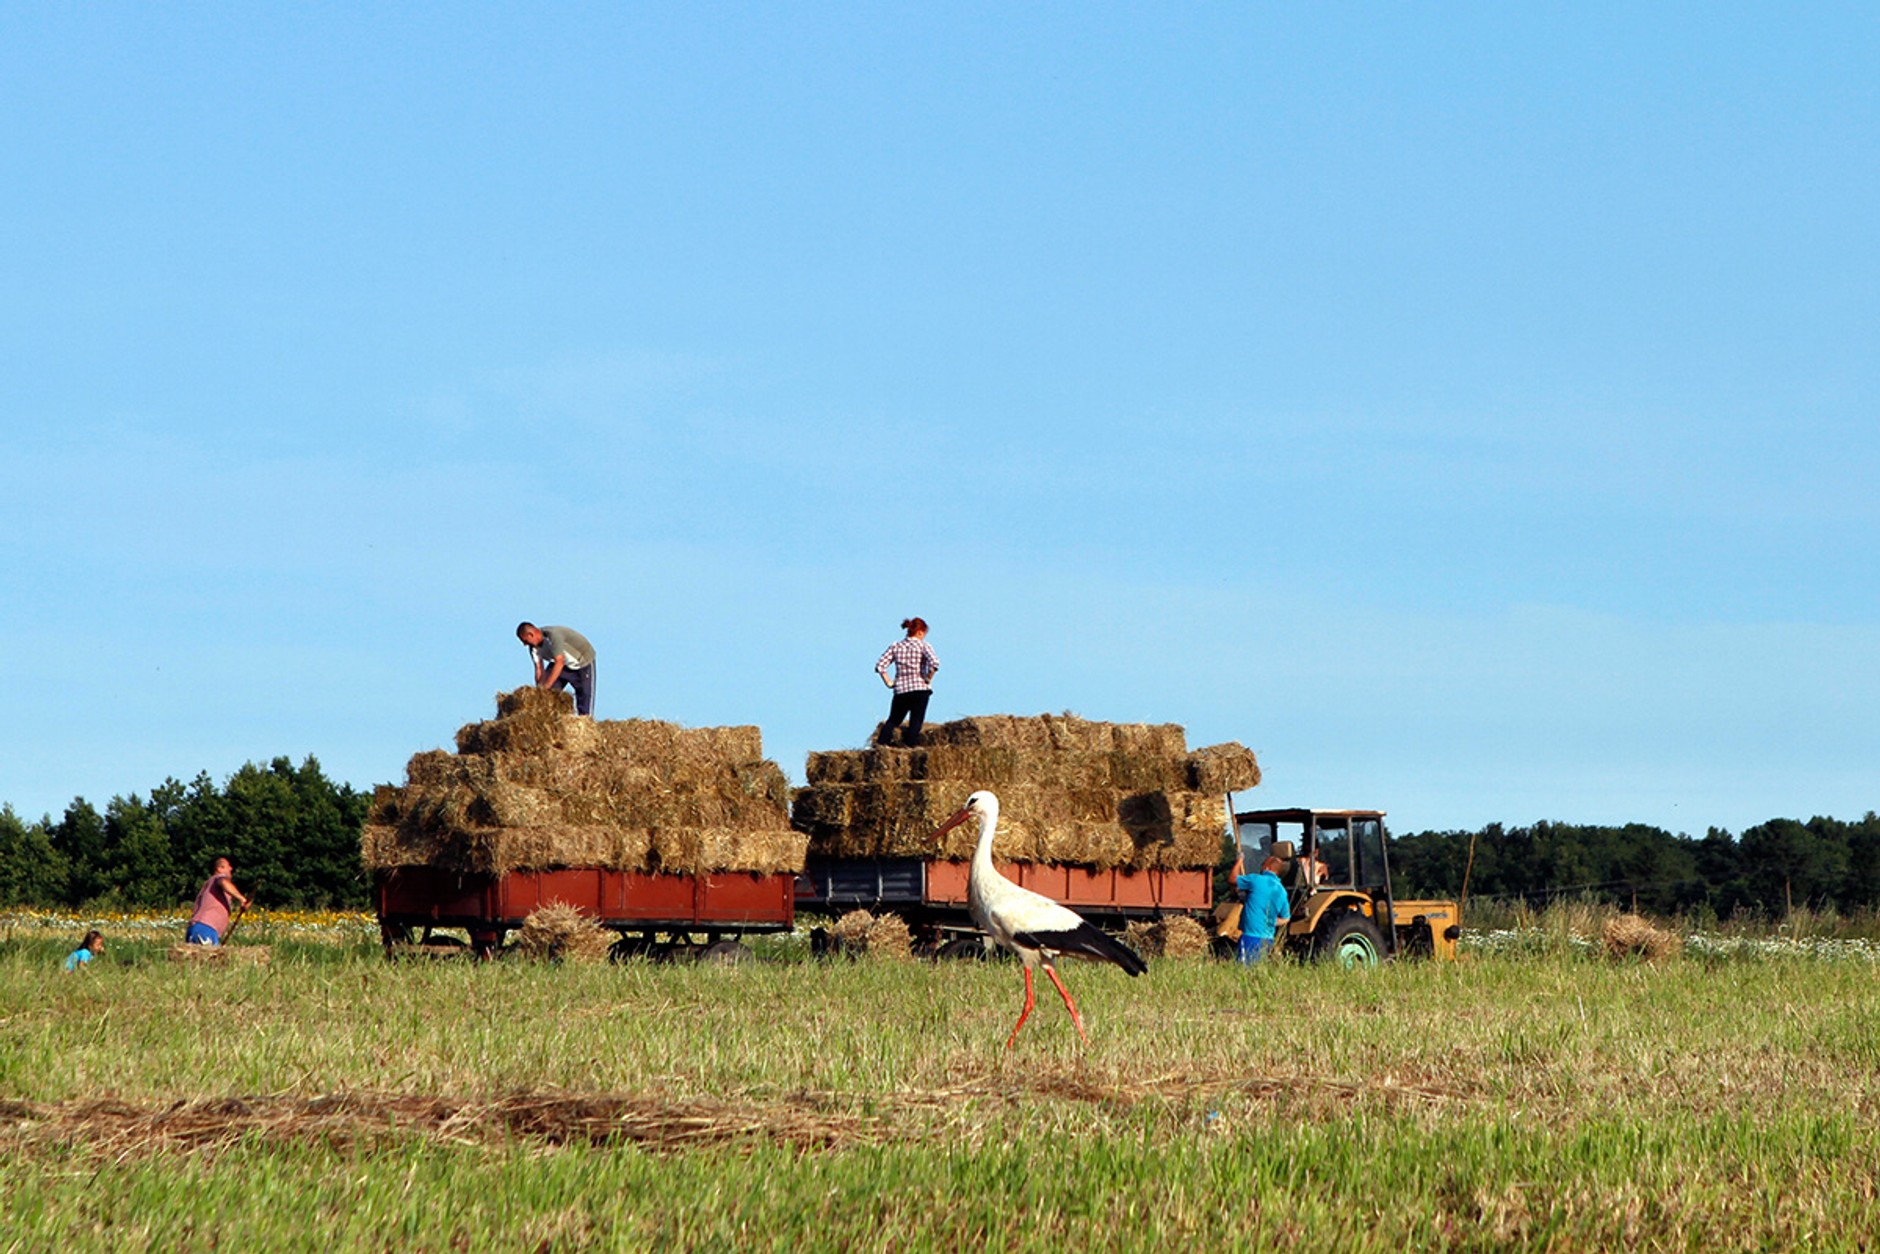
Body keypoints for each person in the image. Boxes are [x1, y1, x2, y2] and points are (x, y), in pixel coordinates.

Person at [874, 617, 940, 747]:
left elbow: (880, 665)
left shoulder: (896, 646)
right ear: (920, 632)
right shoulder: (924, 645)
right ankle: (909, 747)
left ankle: (881, 745)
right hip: (920, 689)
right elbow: (935, 664)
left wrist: (888, 682)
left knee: (893, 720)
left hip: (901, 690)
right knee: (916, 721)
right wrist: (928, 678)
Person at [516, 622, 597, 716]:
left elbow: (559, 663)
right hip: (562, 664)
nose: (525, 644)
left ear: (531, 634)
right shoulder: (533, 648)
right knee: (548, 696)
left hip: (582, 663)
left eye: (525, 641)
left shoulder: (553, 637)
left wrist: (546, 686)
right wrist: (540, 691)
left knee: (585, 705)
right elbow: (539, 669)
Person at [1232, 852, 1291, 964]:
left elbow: (1232, 879)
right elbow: (1286, 918)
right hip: (1268, 940)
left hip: (1251, 937)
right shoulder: (1282, 891)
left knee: (1245, 971)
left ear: (1267, 867)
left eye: (1262, 864)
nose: (1261, 867)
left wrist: (1239, 861)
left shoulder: (1256, 880)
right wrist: (1270, 921)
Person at [186, 857, 251, 946]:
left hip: (200, 928)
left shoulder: (209, 884)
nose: (231, 869)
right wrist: (242, 899)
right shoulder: (219, 877)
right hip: (205, 928)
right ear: (219, 869)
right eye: (228, 866)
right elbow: (224, 882)